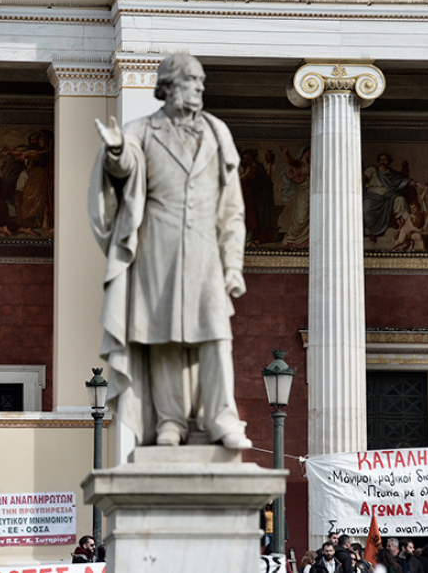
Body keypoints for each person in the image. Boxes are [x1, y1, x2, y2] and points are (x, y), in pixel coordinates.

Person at [90, 54, 251, 449]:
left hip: (205, 251)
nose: (199, 87)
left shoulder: (217, 132)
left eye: (201, 81)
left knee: (215, 335)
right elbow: (125, 165)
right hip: (156, 247)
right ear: (170, 86)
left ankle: (222, 418)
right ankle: (170, 422)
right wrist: (115, 151)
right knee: (160, 337)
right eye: (192, 80)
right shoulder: (142, 130)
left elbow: (232, 209)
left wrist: (233, 265)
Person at [362, 152, 416, 240]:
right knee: (366, 206)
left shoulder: (392, 174)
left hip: (388, 197)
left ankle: (405, 229)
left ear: (389, 161)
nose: (383, 162)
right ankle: (373, 231)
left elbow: (403, 181)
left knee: (401, 200)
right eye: (381, 160)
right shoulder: (372, 170)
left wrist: (416, 184)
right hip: (372, 196)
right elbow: (362, 178)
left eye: (385, 160)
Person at [279, 144, 310, 250]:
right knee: (300, 218)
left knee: (310, 218)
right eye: (310, 152)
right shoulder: (299, 164)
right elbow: (291, 161)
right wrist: (286, 153)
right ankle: (292, 239)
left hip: (312, 196)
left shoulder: (314, 164)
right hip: (302, 194)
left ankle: (306, 240)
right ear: (305, 152)